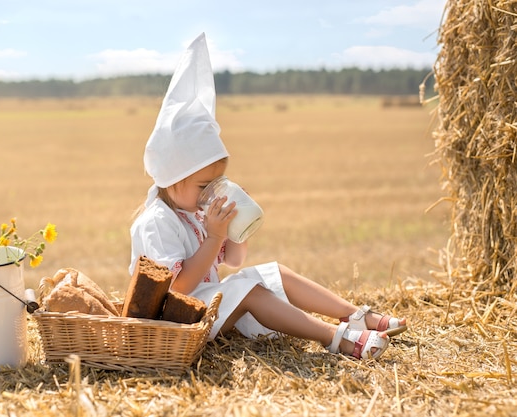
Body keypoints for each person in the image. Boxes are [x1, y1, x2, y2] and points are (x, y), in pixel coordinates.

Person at [129, 33, 407, 360]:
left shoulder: (194, 210)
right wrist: (214, 236)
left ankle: (354, 315)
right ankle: (334, 337)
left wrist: (236, 226)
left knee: (272, 272)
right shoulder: (156, 223)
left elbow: (233, 261)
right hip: (176, 321)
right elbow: (177, 289)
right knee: (246, 289)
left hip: (207, 305)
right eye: (205, 186)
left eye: (219, 182)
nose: (212, 193)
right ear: (171, 179)